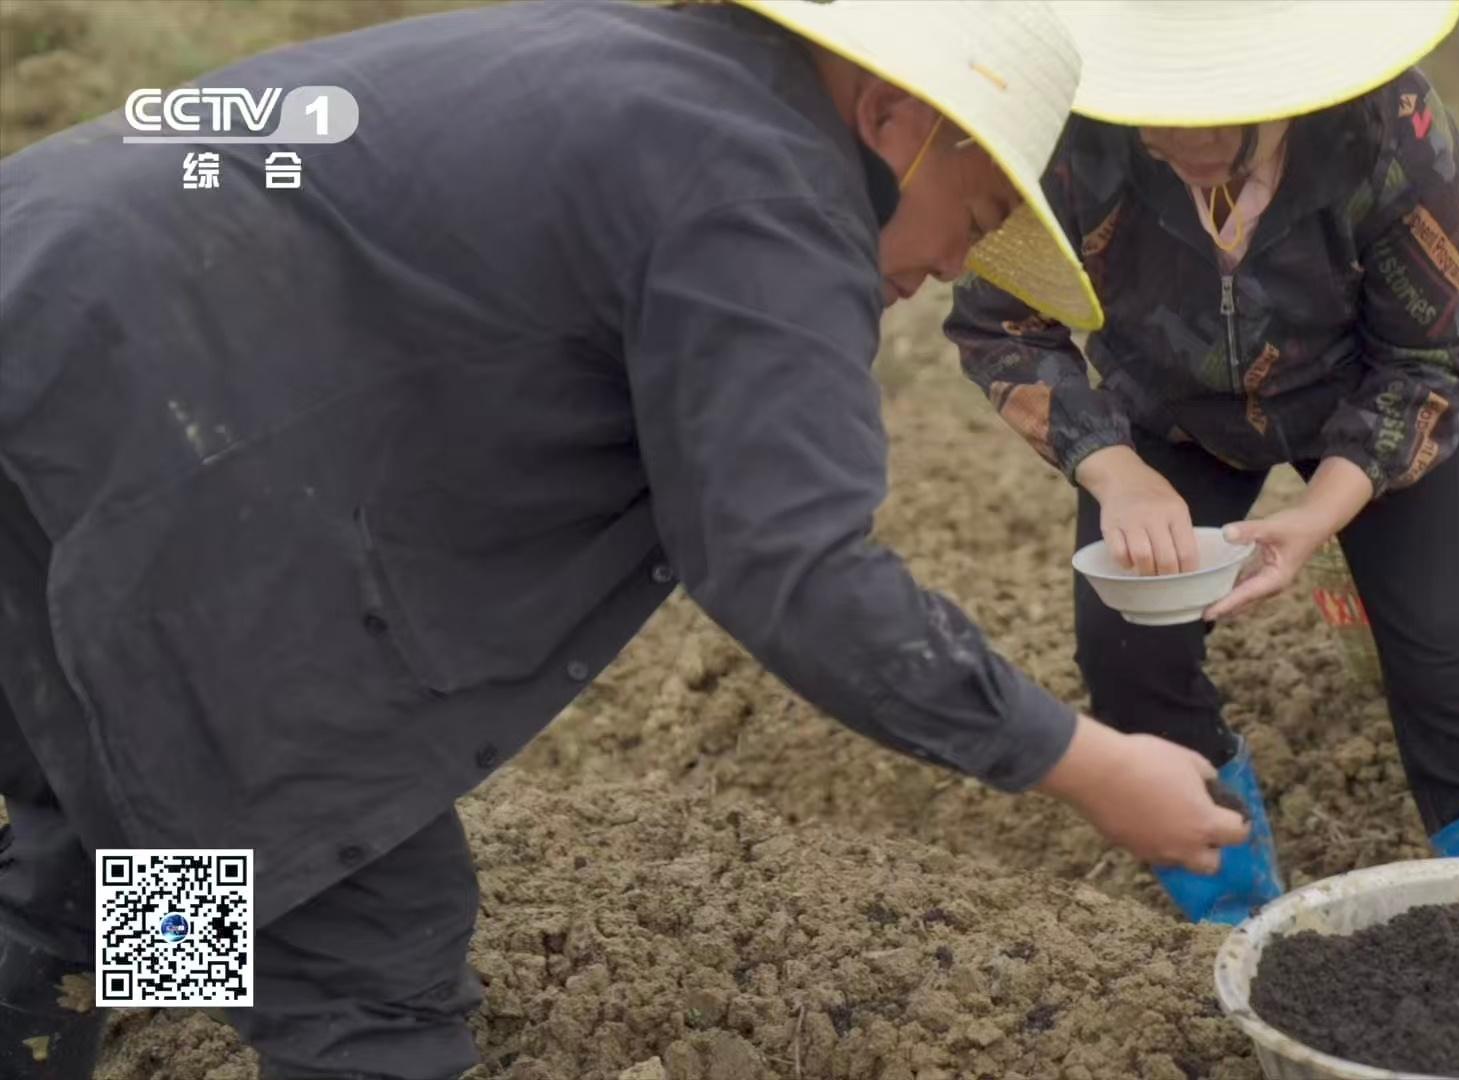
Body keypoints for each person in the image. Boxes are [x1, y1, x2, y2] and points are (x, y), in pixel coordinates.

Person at [0, 2, 1254, 1076]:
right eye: (973, 209)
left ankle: (58, 989)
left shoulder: (647, 79)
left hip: (52, 342)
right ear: (890, 118)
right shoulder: (764, 184)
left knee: (133, 812)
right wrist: (1082, 762)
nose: (948, 263)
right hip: (153, 450)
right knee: (365, 949)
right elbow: (792, 567)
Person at [945, 0, 1459, 926]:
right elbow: (999, 321)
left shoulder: (1392, 128)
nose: (1181, 138)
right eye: (1159, 108)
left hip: (1373, 393)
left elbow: (1432, 360)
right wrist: (1113, 465)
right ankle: (1229, 913)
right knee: (1128, 653)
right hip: (1169, 415)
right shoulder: (1074, 137)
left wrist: (1320, 512)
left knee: (1450, 663)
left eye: (1215, 112)